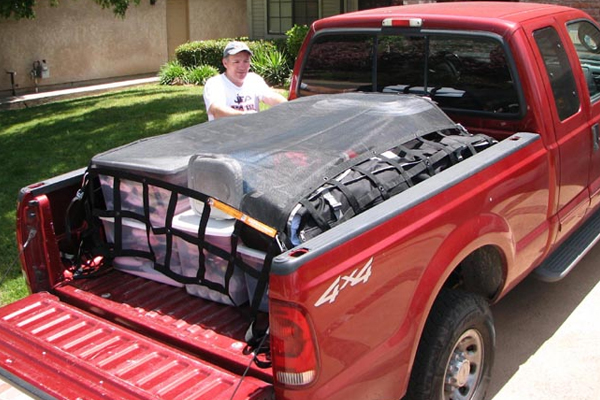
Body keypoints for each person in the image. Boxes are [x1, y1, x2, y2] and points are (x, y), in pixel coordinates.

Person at [203, 41, 287, 121]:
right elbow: (217, 110)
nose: (242, 66)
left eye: (246, 61)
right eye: (236, 62)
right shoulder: (215, 84)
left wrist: (288, 106)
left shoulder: (254, 80)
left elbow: (270, 97)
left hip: (252, 132)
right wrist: (245, 116)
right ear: (225, 63)